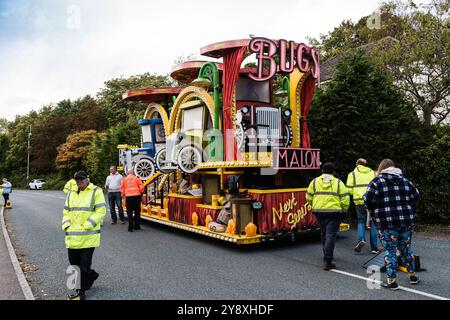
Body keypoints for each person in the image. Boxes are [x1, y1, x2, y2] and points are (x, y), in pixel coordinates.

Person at [364, 159, 420, 290]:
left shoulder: (377, 182)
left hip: (386, 223)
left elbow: (368, 200)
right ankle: (413, 276)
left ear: (381, 168)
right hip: (406, 221)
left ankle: (392, 281)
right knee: (405, 248)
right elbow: (416, 195)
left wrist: (375, 208)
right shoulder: (405, 181)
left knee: (390, 251)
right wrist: (405, 203)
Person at [62, 170, 106, 300]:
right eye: (77, 180)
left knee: (84, 266)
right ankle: (91, 277)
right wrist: (66, 225)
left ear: (87, 179)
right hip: (73, 235)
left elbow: (101, 210)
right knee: (73, 265)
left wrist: (88, 224)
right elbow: (66, 211)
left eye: (82, 179)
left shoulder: (96, 191)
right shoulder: (71, 192)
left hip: (88, 236)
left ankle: (79, 293)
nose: (79, 182)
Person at [306, 162, 350, 270]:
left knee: (324, 232)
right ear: (333, 172)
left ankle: (326, 254)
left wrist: (313, 206)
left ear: (322, 171)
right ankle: (328, 259)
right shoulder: (338, 183)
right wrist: (344, 211)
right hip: (334, 212)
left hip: (319, 211)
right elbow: (345, 198)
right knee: (330, 234)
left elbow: (308, 196)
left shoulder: (314, 182)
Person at [346, 158, 378, 254]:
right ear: (365, 164)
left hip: (359, 201)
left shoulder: (352, 174)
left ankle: (361, 240)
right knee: (372, 223)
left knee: (361, 221)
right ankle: (374, 248)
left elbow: (349, 190)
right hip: (372, 201)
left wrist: (356, 192)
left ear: (357, 165)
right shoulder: (373, 173)